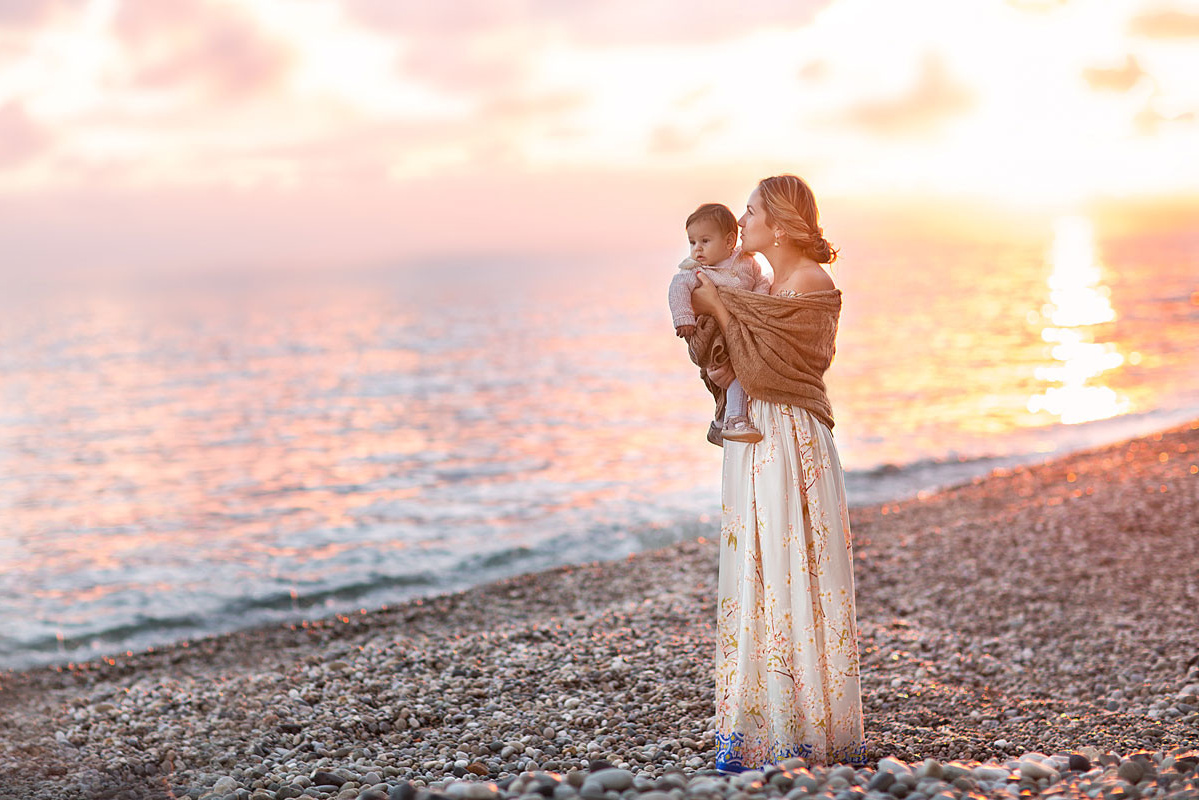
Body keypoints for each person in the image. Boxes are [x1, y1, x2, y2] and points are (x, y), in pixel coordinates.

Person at [688, 175, 865, 771]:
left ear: (781, 224)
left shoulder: (811, 282)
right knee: (761, 569)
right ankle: (766, 724)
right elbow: (738, 352)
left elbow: (773, 362)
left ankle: (805, 731)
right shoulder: (764, 283)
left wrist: (719, 305)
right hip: (760, 434)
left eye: (751, 210)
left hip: (791, 436)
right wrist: (714, 314)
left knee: (793, 571)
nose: (742, 220)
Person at [668, 203, 771, 445]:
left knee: (738, 371)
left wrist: (761, 301)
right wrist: (683, 318)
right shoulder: (695, 270)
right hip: (712, 334)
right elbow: (677, 289)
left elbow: (760, 283)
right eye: (692, 242)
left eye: (705, 240)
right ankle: (735, 419)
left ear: (728, 242)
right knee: (735, 372)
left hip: (740, 326)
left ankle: (719, 423)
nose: (697, 249)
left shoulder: (747, 262)